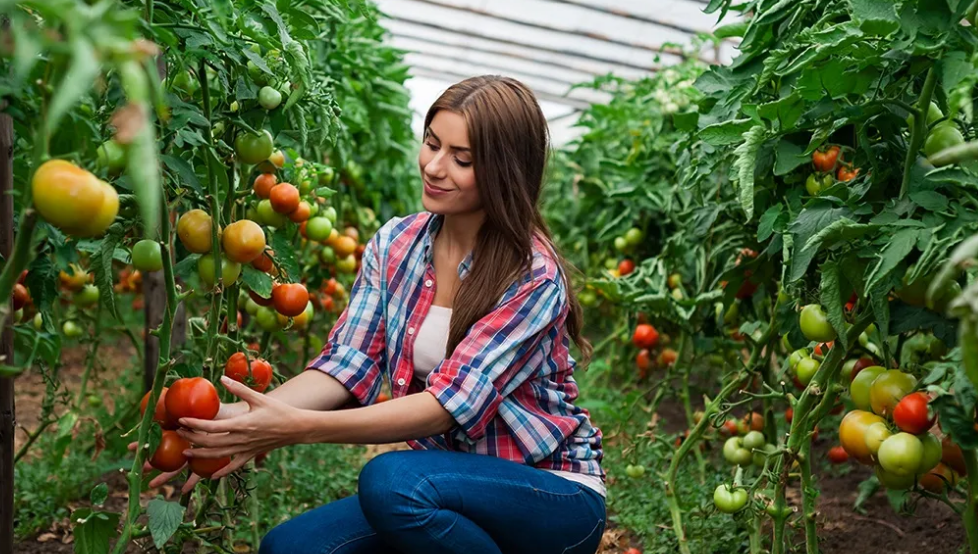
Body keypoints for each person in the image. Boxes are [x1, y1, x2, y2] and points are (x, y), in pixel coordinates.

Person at [169, 75, 606, 554]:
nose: (435, 168)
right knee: (290, 548)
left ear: (505, 171)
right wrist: (233, 420)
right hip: (448, 489)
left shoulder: (532, 276)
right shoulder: (397, 243)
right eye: (431, 144)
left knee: (391, 481)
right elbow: (348, 363)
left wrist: (296, 428)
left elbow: (446, 407)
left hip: (549, 493)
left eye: (461, 159)